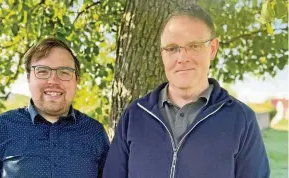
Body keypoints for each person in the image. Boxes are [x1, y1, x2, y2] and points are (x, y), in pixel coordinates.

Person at [103, 4, 270, 178]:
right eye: (172, 48)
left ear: (212, 48)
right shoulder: (135, 115)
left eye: (194, 46)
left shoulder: (241, 119)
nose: (182, 58)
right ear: (162, 53)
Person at [0, 37, 110, 178]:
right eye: (43, 71)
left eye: (64, 72)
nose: (53, 81)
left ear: (76, 81)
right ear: (29, 78)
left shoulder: (95, 133)